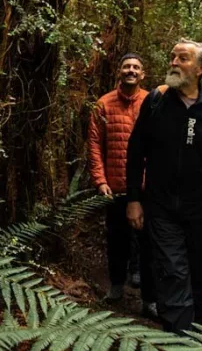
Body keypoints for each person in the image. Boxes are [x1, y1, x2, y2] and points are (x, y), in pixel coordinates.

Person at [125, 39, 202, 332]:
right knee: (173, 272)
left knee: (198, 276)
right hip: (162, 209)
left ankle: (194, 328)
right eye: (173, 57)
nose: (174, 62)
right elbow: (136, 152)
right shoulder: (157, 101)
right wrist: (134, 199)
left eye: (183, 58)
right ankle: (179, 338)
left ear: (201, 68)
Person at [88, 53, 157, 318]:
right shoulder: (103, 104)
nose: (131, 70)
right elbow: (94, 145)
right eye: (126, 66)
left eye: (136, 67)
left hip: (146, 186)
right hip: (115, 185)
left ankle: (149, 299)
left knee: (149, 242)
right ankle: (116, 285)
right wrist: (100, 180)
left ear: (143, 74)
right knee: (117, 237)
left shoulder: (153, 102)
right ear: (119, 71)